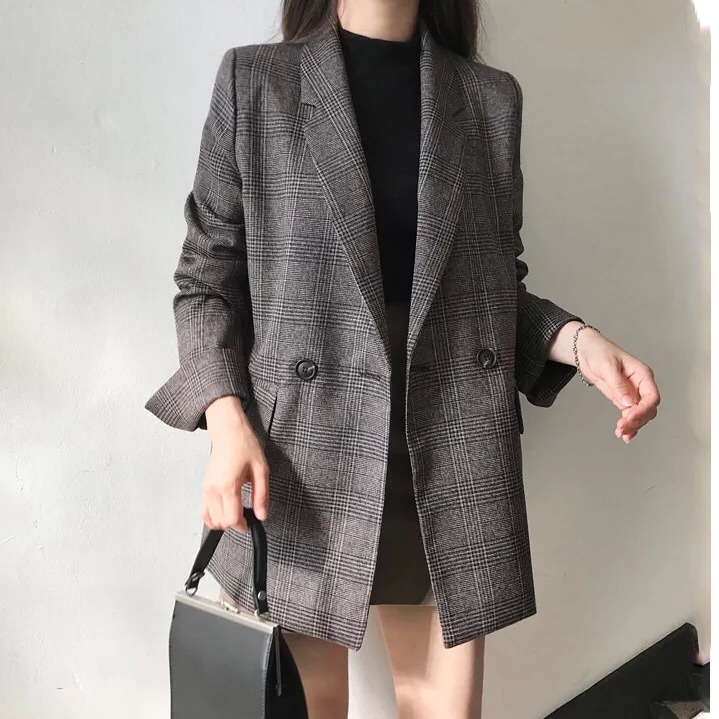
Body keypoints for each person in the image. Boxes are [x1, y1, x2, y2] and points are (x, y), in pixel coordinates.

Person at [145, 1, 661, 716]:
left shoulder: (488, 100)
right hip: (296, 456)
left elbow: (486, 289)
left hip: (446, 452)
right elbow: (206, 279)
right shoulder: (256, 83)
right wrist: (226, 423)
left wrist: (577, 341)